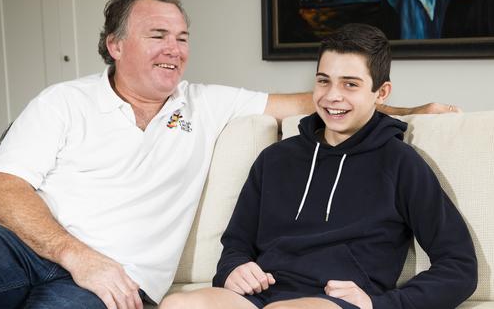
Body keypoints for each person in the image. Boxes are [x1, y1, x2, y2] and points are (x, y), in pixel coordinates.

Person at [0, 0, 459, 309]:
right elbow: (0, 193)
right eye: (157, 35)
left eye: (183, 37)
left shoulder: (206, 103)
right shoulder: (62, 101)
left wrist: (410, 113)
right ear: (115, 45)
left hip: (114, 284)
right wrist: (80, 256)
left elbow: (325, 99)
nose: (175, 49)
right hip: (19, 245)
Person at [159, 23, 477, 309]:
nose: (332, 96)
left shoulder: (401, 163)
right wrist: (234, 268)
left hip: (332, 302)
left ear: (381, 93)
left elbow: (459, 266)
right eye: (324, 81)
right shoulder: (275, 158)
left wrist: (381, 305)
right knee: (177, 305)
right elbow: (237, 242)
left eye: (350, 85)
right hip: (258, 298)